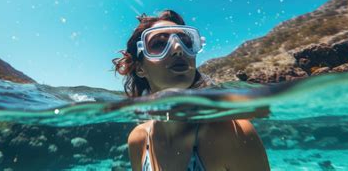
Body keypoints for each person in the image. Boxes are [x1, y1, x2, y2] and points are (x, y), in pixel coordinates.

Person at [112, 10, 270, 171]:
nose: (178, 48)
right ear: (139, 68)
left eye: (186, 42)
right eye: (159, 44)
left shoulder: (232, 134)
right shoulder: (138, 140)